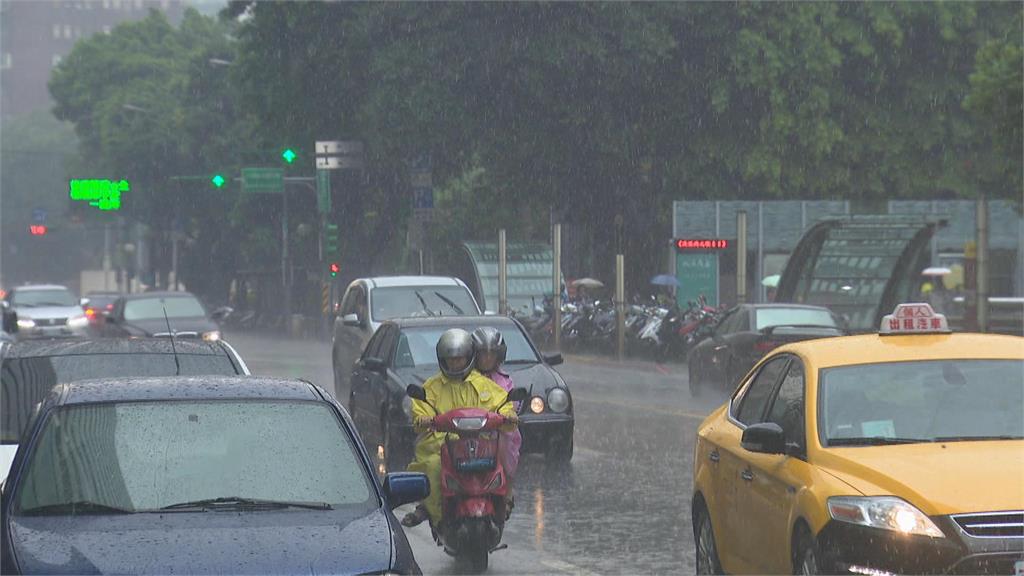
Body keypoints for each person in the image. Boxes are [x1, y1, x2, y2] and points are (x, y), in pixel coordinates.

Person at [402, 328, 518, 528]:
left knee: (499, 462)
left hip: (478, 445)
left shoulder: (485, 385)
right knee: (433, 467)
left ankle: (501, 506)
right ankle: (438, 519)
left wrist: (508, 416)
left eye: (460, 358)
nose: (455, 363)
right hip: (440, 447)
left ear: (469, 358)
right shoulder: (431, 388)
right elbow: (420, 412)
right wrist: (423, 420)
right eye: (450, 359)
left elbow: (502, 403)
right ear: (442, 359)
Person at [471, 327, 522, 516]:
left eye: (492, 353)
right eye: (483, 353)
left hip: (496, 431)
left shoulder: (504, 381)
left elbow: (510, 403)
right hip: (468, 429)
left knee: (508, 442)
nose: (487, 358)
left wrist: (505, 416)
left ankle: (507, 492)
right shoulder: (465, 379)